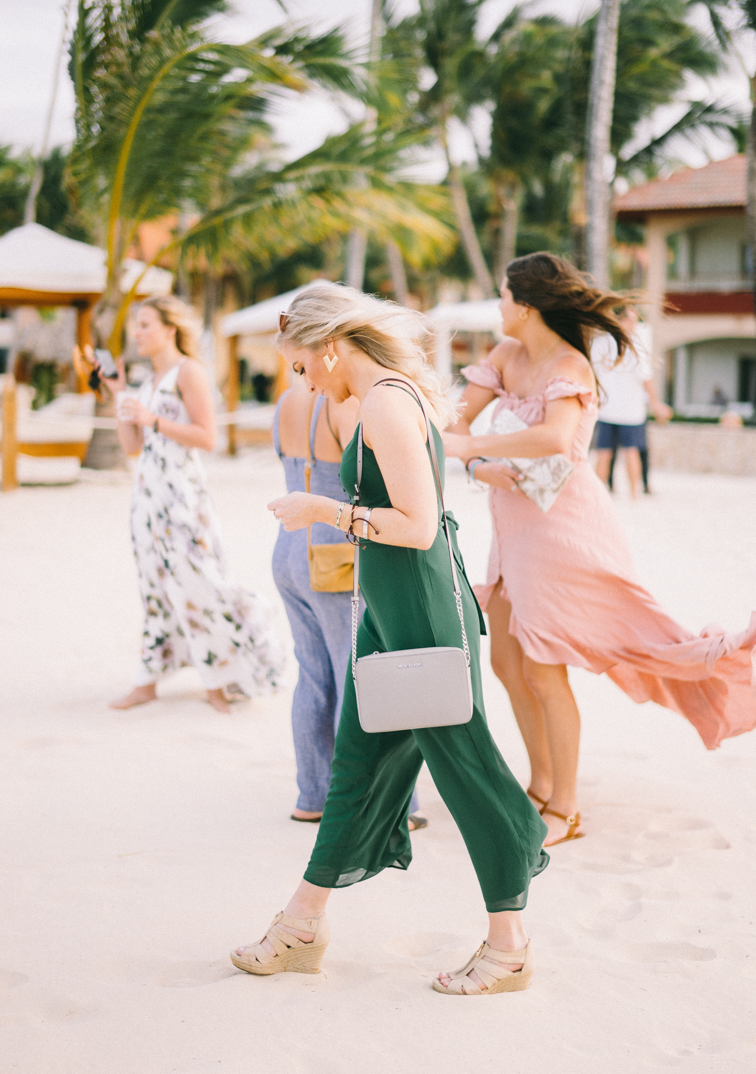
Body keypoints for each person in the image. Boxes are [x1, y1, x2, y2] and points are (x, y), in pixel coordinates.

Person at [231, 282, 548, 997]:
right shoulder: (380, 397)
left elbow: (418, 523)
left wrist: (322, 508)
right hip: (391, 611)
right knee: (356, 768)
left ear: (332, 348)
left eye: (302, 366)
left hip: (423, 618)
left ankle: (511, 946)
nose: (301, 381)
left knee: (471, 777)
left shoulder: (383, 402)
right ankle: (301, 925)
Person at [443, 253, 756, 847]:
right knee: (505, 662)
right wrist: (468, 451)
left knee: (542, 666)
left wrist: (471, 449)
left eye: (504, 297)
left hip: (562, 530)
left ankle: (565, 807)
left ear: (529, 306)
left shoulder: (570, 365)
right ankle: (539, 786)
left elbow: (555, 438)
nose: (498, 307)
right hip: (513, 526)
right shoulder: (505, 356)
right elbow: (454, 423)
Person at [105, 295, 284, 713]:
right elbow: (132, 446)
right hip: (148, 500)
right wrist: (118, 395)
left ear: (170, 329)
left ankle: (218, 682)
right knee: (154, 586)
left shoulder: (189, 372)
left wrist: (156, 421)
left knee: (199, 582)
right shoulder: (148, 382)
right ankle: (148, 680)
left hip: (183, 499)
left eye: (146, 324)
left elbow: (207, 436)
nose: (138, 333)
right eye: (137, 325)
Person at [272, 380, 426, 828]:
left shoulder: (286, 401)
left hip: (288, 550)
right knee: (356, 675)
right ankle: (372, 802)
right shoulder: (344, 405)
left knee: (313, 676)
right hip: (335, 555)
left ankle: (313, 794)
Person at [592, 307, 672, 497]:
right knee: (631, 452)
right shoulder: (635, 345)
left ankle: (596, 495)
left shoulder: (599, 344)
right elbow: (646, 378)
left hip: (606, 408)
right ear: (621, 320)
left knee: (604, 452)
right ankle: (634, 495)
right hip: (631, 410)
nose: (635, 325)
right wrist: (655, 403)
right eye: (632, 320)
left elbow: (592, 375)